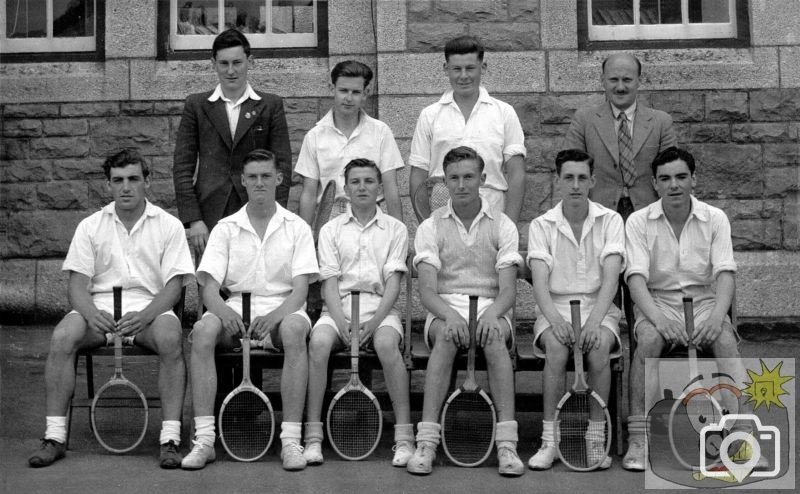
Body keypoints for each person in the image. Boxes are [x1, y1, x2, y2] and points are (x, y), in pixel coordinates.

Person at [27, 149, 194, 469]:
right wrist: (91, 314)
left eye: (133, 179)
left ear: (147, 181)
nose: (126, 187)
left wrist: (145, 316)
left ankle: (170, 439)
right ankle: (54, 437)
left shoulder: (169, 225)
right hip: (99, 311)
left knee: (172, 339)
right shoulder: (91, 226)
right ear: (108, 185)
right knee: (62, 337)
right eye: (118, 181)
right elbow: (76, 286)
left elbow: (175, 287)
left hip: (149, 312)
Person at [181, 149, 318, 471]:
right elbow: (209, 288)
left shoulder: (296, 227)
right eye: (253, 177)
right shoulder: (226, 227)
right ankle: (204, 440)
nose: (259, 183)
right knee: (201, 332)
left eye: (266, 176)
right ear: (243, 180)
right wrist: (223, 313)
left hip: (282, 310)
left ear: (279, 179)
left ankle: (290, 440)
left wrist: (275, 317)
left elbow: (300, 291)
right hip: (234, 308)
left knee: (297, 331)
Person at [406, 146, 524, 477]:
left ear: (482, 179)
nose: (461, 185)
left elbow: (509, 291)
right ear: (445, 180)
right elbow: (428, 291)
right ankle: (426, 442)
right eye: (454, 178)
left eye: (469, 177)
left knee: (495, 337)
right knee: (446, 337)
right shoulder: (430, 226)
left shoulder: (503, 225)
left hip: (491, 306)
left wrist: (491, 315)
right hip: (446, 309)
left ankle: (507, 444)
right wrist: (450, 315)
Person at [623, 147, 742, 471]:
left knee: (726, 341)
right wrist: (659, 320)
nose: (673, 185)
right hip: (658, 303)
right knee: (647, 342)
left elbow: (726, 275)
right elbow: (635, 281)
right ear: (655, 183)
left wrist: (718, 318)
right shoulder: (637, 221)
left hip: (705, 303)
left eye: (680, 177)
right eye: (665, 179)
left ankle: (738, 434)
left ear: (693, 180)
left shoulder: (715, 218)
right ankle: (639, 439)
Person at [303, 158, 413, 467]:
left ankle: (404, 438)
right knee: (319, 344)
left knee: (387, 345)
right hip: (337, 311)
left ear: (379, 188)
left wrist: (372, 324)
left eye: (368, 181)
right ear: (346, 187)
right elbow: (329, 283)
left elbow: (393, 284)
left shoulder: (396, 229)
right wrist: (343, 323)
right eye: (355, 181)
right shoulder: (330, 230)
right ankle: (313, 437)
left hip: (380, 312)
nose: (362, 187)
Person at [526, 149, 624, 471]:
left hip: (600, 309)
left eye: (582, 178)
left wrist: (594, 323)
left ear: (593, 181)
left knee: (597, 351)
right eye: (568, 178)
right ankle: (550, 441)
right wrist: (555, 321)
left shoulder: (610, 220)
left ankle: (595, 439)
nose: (575, 185)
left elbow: (611, 279)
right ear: (558, 181)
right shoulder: (541, 225)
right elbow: (539, 282)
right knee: (555, 349)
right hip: (554, 309)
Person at [173, 29, 292, 255]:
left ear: (250, 62)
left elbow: (282, 164)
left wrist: (276, 212)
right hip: (209, 213)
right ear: (213, 64)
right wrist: (193, 219)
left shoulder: (270, 105)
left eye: (237, 62)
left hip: (256, 208)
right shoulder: (197, 105)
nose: (230, 71)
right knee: (211, 283)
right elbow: (182, 167)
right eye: (224, 63)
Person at [408, 35, 527, 223]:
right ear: (446, 69)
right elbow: (418, 175)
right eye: (456, 69)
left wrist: (509, 226)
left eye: (470, 68)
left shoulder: (504, 112)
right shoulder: (429, 115)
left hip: (493, 210)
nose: (463, 76)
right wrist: (426, 225)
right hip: (442, 210)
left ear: (483, 67)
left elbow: (516, 172)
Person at [563, 53, 676, 220]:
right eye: (614, 80)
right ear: (603, 81)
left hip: (649, 215)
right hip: (597, 215)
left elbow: (674, 172)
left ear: (639, 80)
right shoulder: (584, 120)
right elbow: (568, 170)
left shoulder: (661, 122)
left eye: (627, 80)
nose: (620, 87)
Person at [296, 60, 405, 225]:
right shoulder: (315, 136)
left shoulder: (380, 132)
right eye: (343, 91)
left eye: (355, 92)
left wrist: (400, 232)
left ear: (365, 93)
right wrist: (304, 239)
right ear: (332, 89)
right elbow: (309, 193)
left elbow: (391, 188)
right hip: (329, 217)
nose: (348, 98)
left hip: (371, 215)